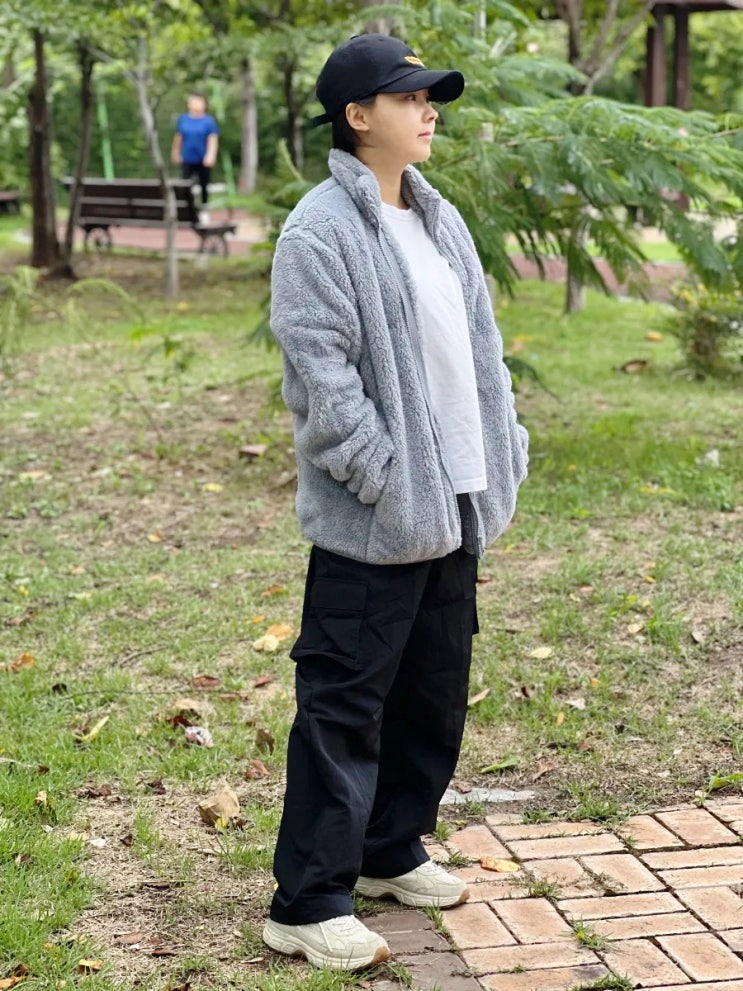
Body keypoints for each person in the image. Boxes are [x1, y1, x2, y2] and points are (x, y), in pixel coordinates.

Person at [262, 33, 529, 972]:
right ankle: (307, 900)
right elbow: (323, 385)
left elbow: (481, 351)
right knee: (343, 704)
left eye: (430, 97)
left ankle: (388, 848)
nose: (428, 110)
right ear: (356, 115)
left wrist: (504, 446)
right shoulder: (318, 231)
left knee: (431, 691)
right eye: (409, 96)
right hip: (375, 518)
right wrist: (384, 478)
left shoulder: (436, 215)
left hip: (455, 500)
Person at [170, 92, 219, 216]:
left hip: (203, 158)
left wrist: (211, 155)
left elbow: (212, 139)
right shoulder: (183, 120)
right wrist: (175, 153)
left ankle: (204, 208)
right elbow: (178, 138)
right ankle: (188, 209)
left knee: (204, 184)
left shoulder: (208, 121)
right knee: (185, 185)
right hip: (187, 158)